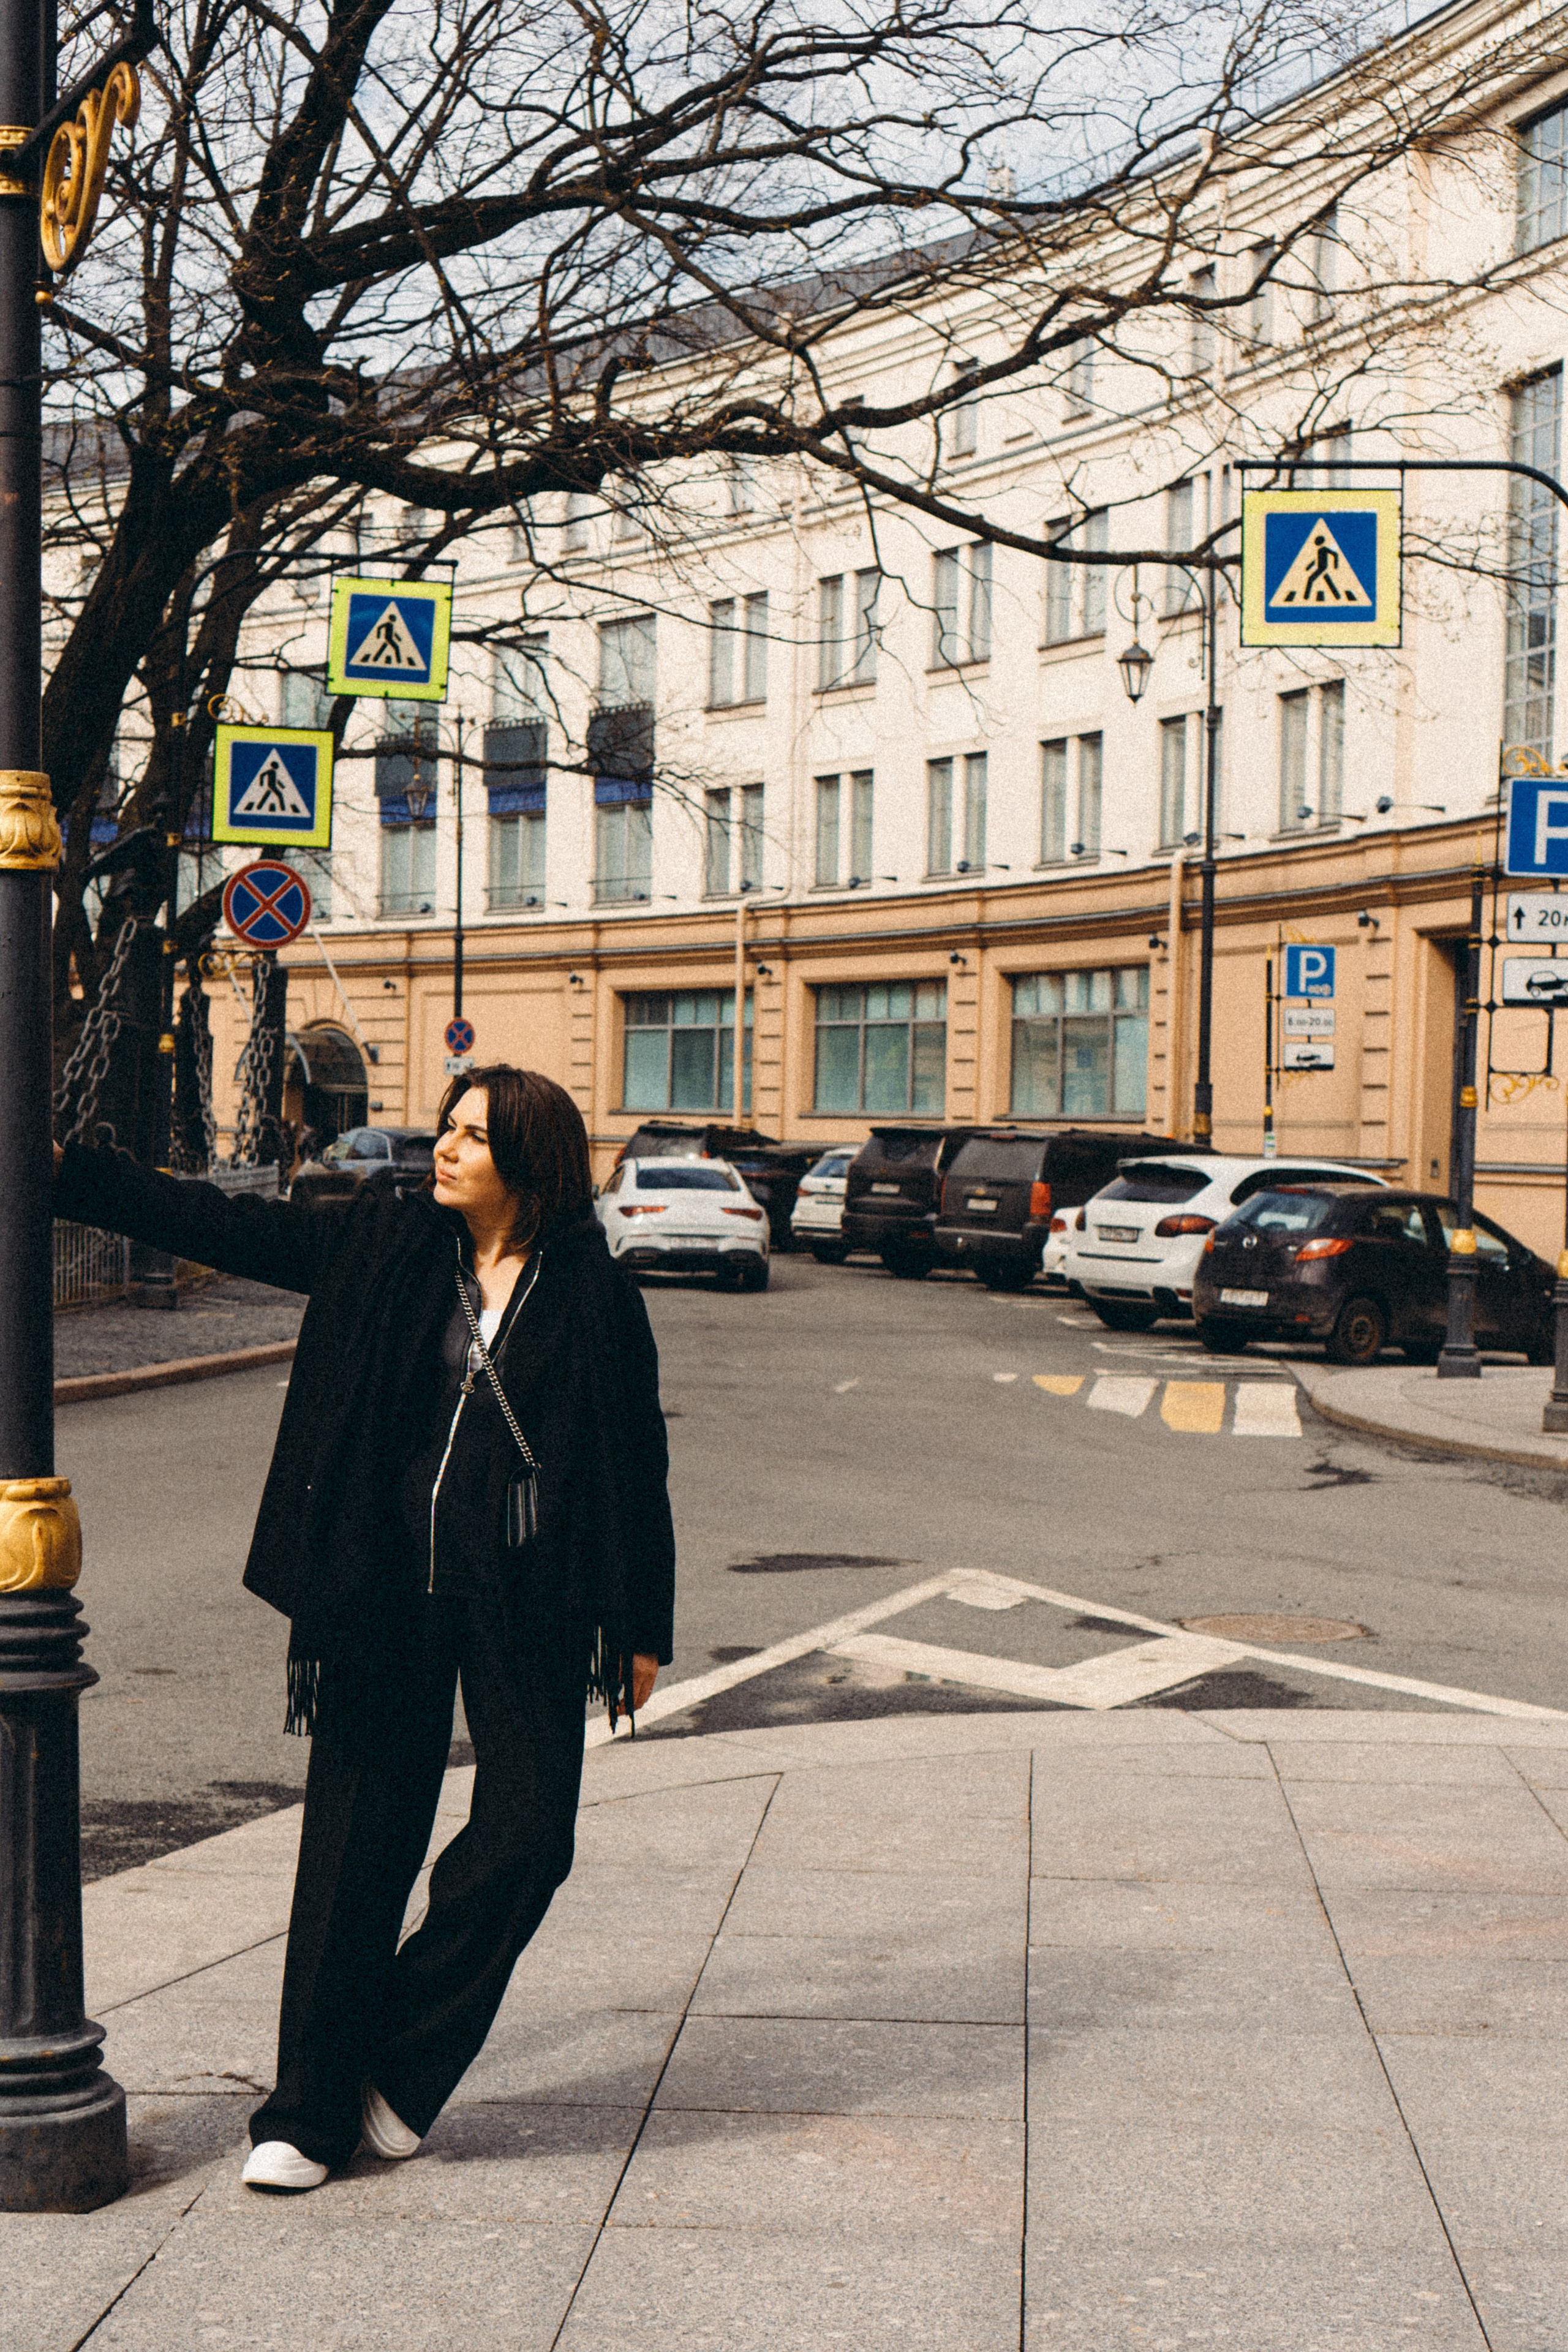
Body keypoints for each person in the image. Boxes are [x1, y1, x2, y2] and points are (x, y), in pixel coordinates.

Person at [53, 1066, 674, 2192]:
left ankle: (398, 2064)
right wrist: (72, 1177)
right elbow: (226, 1225)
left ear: (529, 1164)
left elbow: (637, 1462)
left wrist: (640, 1626)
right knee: (354, 1853)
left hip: (525, 1596)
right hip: (384, 1584)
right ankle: (305, 2112)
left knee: (531, 1837)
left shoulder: (592, 1293)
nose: (442, 1147)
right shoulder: (390, 1245)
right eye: (446, 1126)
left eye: (471, 1136)